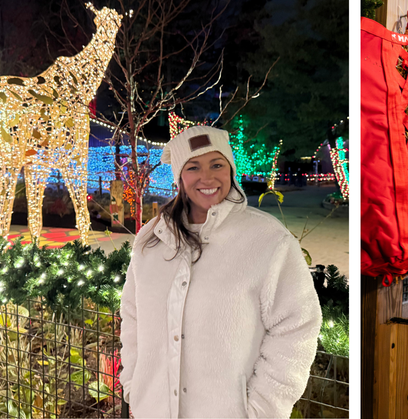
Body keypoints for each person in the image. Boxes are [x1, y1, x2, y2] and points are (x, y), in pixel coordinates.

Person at [119, 126, 322, 418]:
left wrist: (263, 409)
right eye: (193, 167)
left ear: (230, 170)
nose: (207, 177)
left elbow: (297, 325)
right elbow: (132, 315)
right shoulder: (151, 238)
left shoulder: (268, 241)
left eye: (217, 165)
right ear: (179, 176)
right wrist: (133, 384)